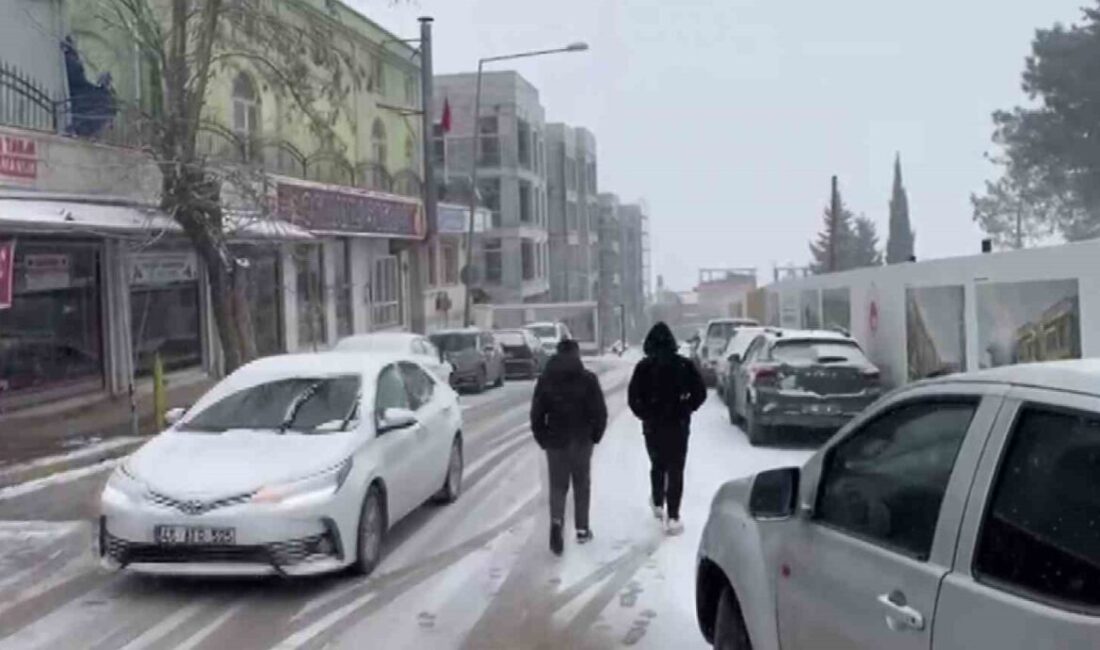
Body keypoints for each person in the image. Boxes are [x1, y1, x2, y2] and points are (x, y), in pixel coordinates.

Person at [530, 338, 608, 556]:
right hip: (582, 439)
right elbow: (600, 411)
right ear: (576, 353)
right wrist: (596, 435)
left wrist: (543, 438)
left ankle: (557, 521)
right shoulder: (588, 379)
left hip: (556, 440)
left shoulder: (546, 380)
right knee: (582, 484)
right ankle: (582, 529)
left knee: (557, 486)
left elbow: (537, 414)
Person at [628, 322, 707, 535]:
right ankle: (673, 515)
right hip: (678, 425)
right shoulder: (684, 365)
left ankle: (657, 502)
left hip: (653, 426)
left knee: (657, 464)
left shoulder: (644, 368)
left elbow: (633, 398)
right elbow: (700, 392)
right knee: (676, 469)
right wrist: (687, 408)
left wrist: (645, 414)